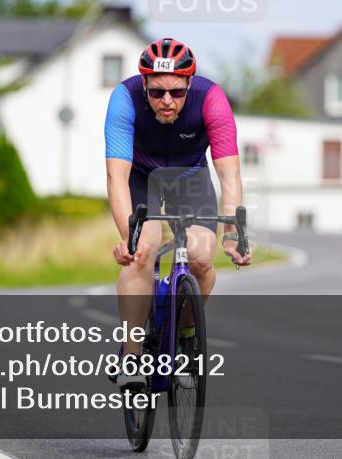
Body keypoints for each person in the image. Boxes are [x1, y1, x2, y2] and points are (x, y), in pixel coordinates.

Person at [104, 38, 250, 383]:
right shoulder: (124, 99)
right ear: (144, 85)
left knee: (201, 258)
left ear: (189, 84)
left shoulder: (211, 99)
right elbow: (116, 176)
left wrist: (233, 234)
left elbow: (229, 173)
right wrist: (129, 236)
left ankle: (185, 339)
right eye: (156, 92)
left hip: (190, 177)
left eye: (176, 92)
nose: (167, 101)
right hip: (142, 177)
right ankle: (132, 356)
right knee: (142, 252)